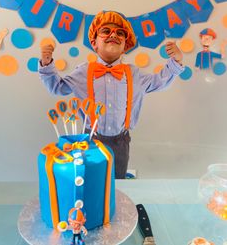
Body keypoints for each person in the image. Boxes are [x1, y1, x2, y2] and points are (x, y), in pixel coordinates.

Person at [39, 10, 184, 179]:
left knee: (116, 181)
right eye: (106, 31)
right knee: (90, 181)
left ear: (125, 45)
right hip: (90, 141)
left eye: (120, 33)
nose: (113, 34)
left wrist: (177, 61)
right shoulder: (83, 71)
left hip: (120, 142)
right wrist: (47, 64)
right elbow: (57, 87)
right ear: (94, 43)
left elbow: (159, 81)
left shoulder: (134, 73)